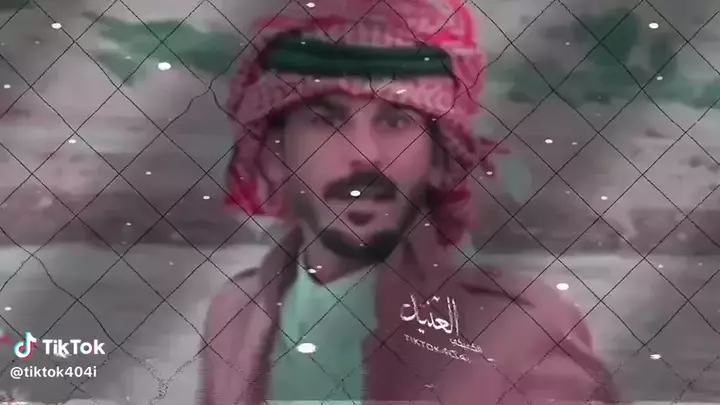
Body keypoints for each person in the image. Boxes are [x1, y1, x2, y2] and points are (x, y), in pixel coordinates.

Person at [200, 1, 619, 404]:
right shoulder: (235, 317)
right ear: (275, 153)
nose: (365, 155)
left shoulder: (519, 333)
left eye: (396, 120)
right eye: (326, 120)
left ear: (438, 158)